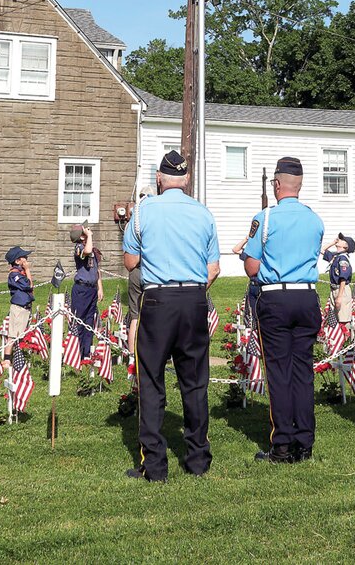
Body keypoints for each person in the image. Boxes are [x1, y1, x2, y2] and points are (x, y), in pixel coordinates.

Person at [121, 148, 220, 482]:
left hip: (158, 299)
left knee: (151, 381)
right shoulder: (203, 213)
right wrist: (191, 289)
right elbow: (214, 267)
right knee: (195, 382)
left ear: (160, 180)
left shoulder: (144, 211)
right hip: (193, 297)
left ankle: (155, 465)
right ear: (187, 179)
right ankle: (197, 460)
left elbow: (130, 262)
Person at [243, 156, 325, 464]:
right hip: (306, 297)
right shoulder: (314, 219)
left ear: (277, 185)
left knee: (279, 372)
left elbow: (251, 266)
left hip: (275, 297)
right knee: (303, 372)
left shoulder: (265, 218)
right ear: (299, 185)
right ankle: (305, 441)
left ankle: (282, 444)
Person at [70, 224, 101, 358]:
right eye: (85, 230)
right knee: (80, 320)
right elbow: (87, 251)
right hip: (81, 289)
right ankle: (77, 351)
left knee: (89, 321)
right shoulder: (79, 248)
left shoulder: (91, 248)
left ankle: (86, 352)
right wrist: (90, 236)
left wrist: (100, 287)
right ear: (81, 235)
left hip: (92, 288)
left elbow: (96, 269)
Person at [5, 246, 35, 356]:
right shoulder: (14, 275)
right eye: (24, 257)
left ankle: (18, 355)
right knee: (13, 334)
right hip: (18, 308)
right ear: (17, 261)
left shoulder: (19, 274)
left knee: (21, 333)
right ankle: (7, 358)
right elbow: (29, 285)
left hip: (25, 307)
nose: (26, 259)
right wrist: (27, 270)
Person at [325, 234, 355, 326]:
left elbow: (343, 278)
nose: (339, 240)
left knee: (343, 316)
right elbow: (322, 250)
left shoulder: (343, 259)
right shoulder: (336, 256)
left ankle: (346, 338)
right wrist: (333, 243)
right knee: (335, 316)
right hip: (334, 289)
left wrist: (340, 297)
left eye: (342, 240)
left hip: (341, 290)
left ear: (346, 247)